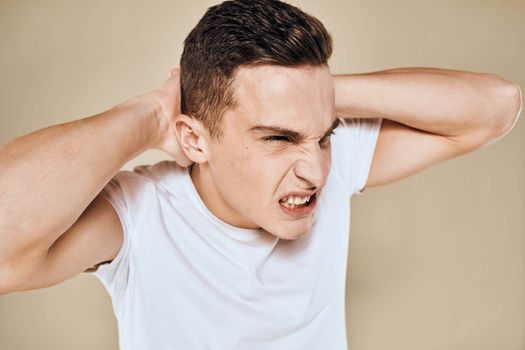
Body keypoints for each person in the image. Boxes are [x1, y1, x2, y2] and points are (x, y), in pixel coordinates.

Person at [0, 0, 521, 349]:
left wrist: (316, 99)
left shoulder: (327, 159)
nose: (314, 169)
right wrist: (148, 119)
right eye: (278, 138)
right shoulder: (140, 214)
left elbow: (496, 107)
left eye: (323, 135)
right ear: (194, 139)